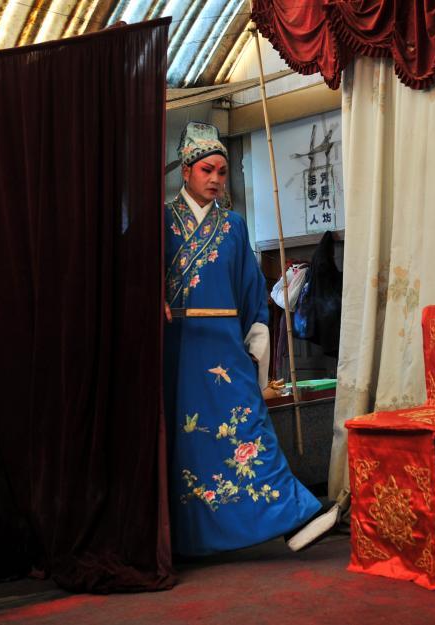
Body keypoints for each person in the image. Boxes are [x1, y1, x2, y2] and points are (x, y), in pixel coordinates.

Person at [163, 122, 338, 556]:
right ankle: (187, 537)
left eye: (223, 172)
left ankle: (294, 513)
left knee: (247, 428)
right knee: (188, 440)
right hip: (176, 348)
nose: (217, 180)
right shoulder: (161, 222)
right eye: (208, 170)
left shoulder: (234, 225)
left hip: (224, 344)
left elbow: (248, 288)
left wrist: (257, 338)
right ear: (186, 171)